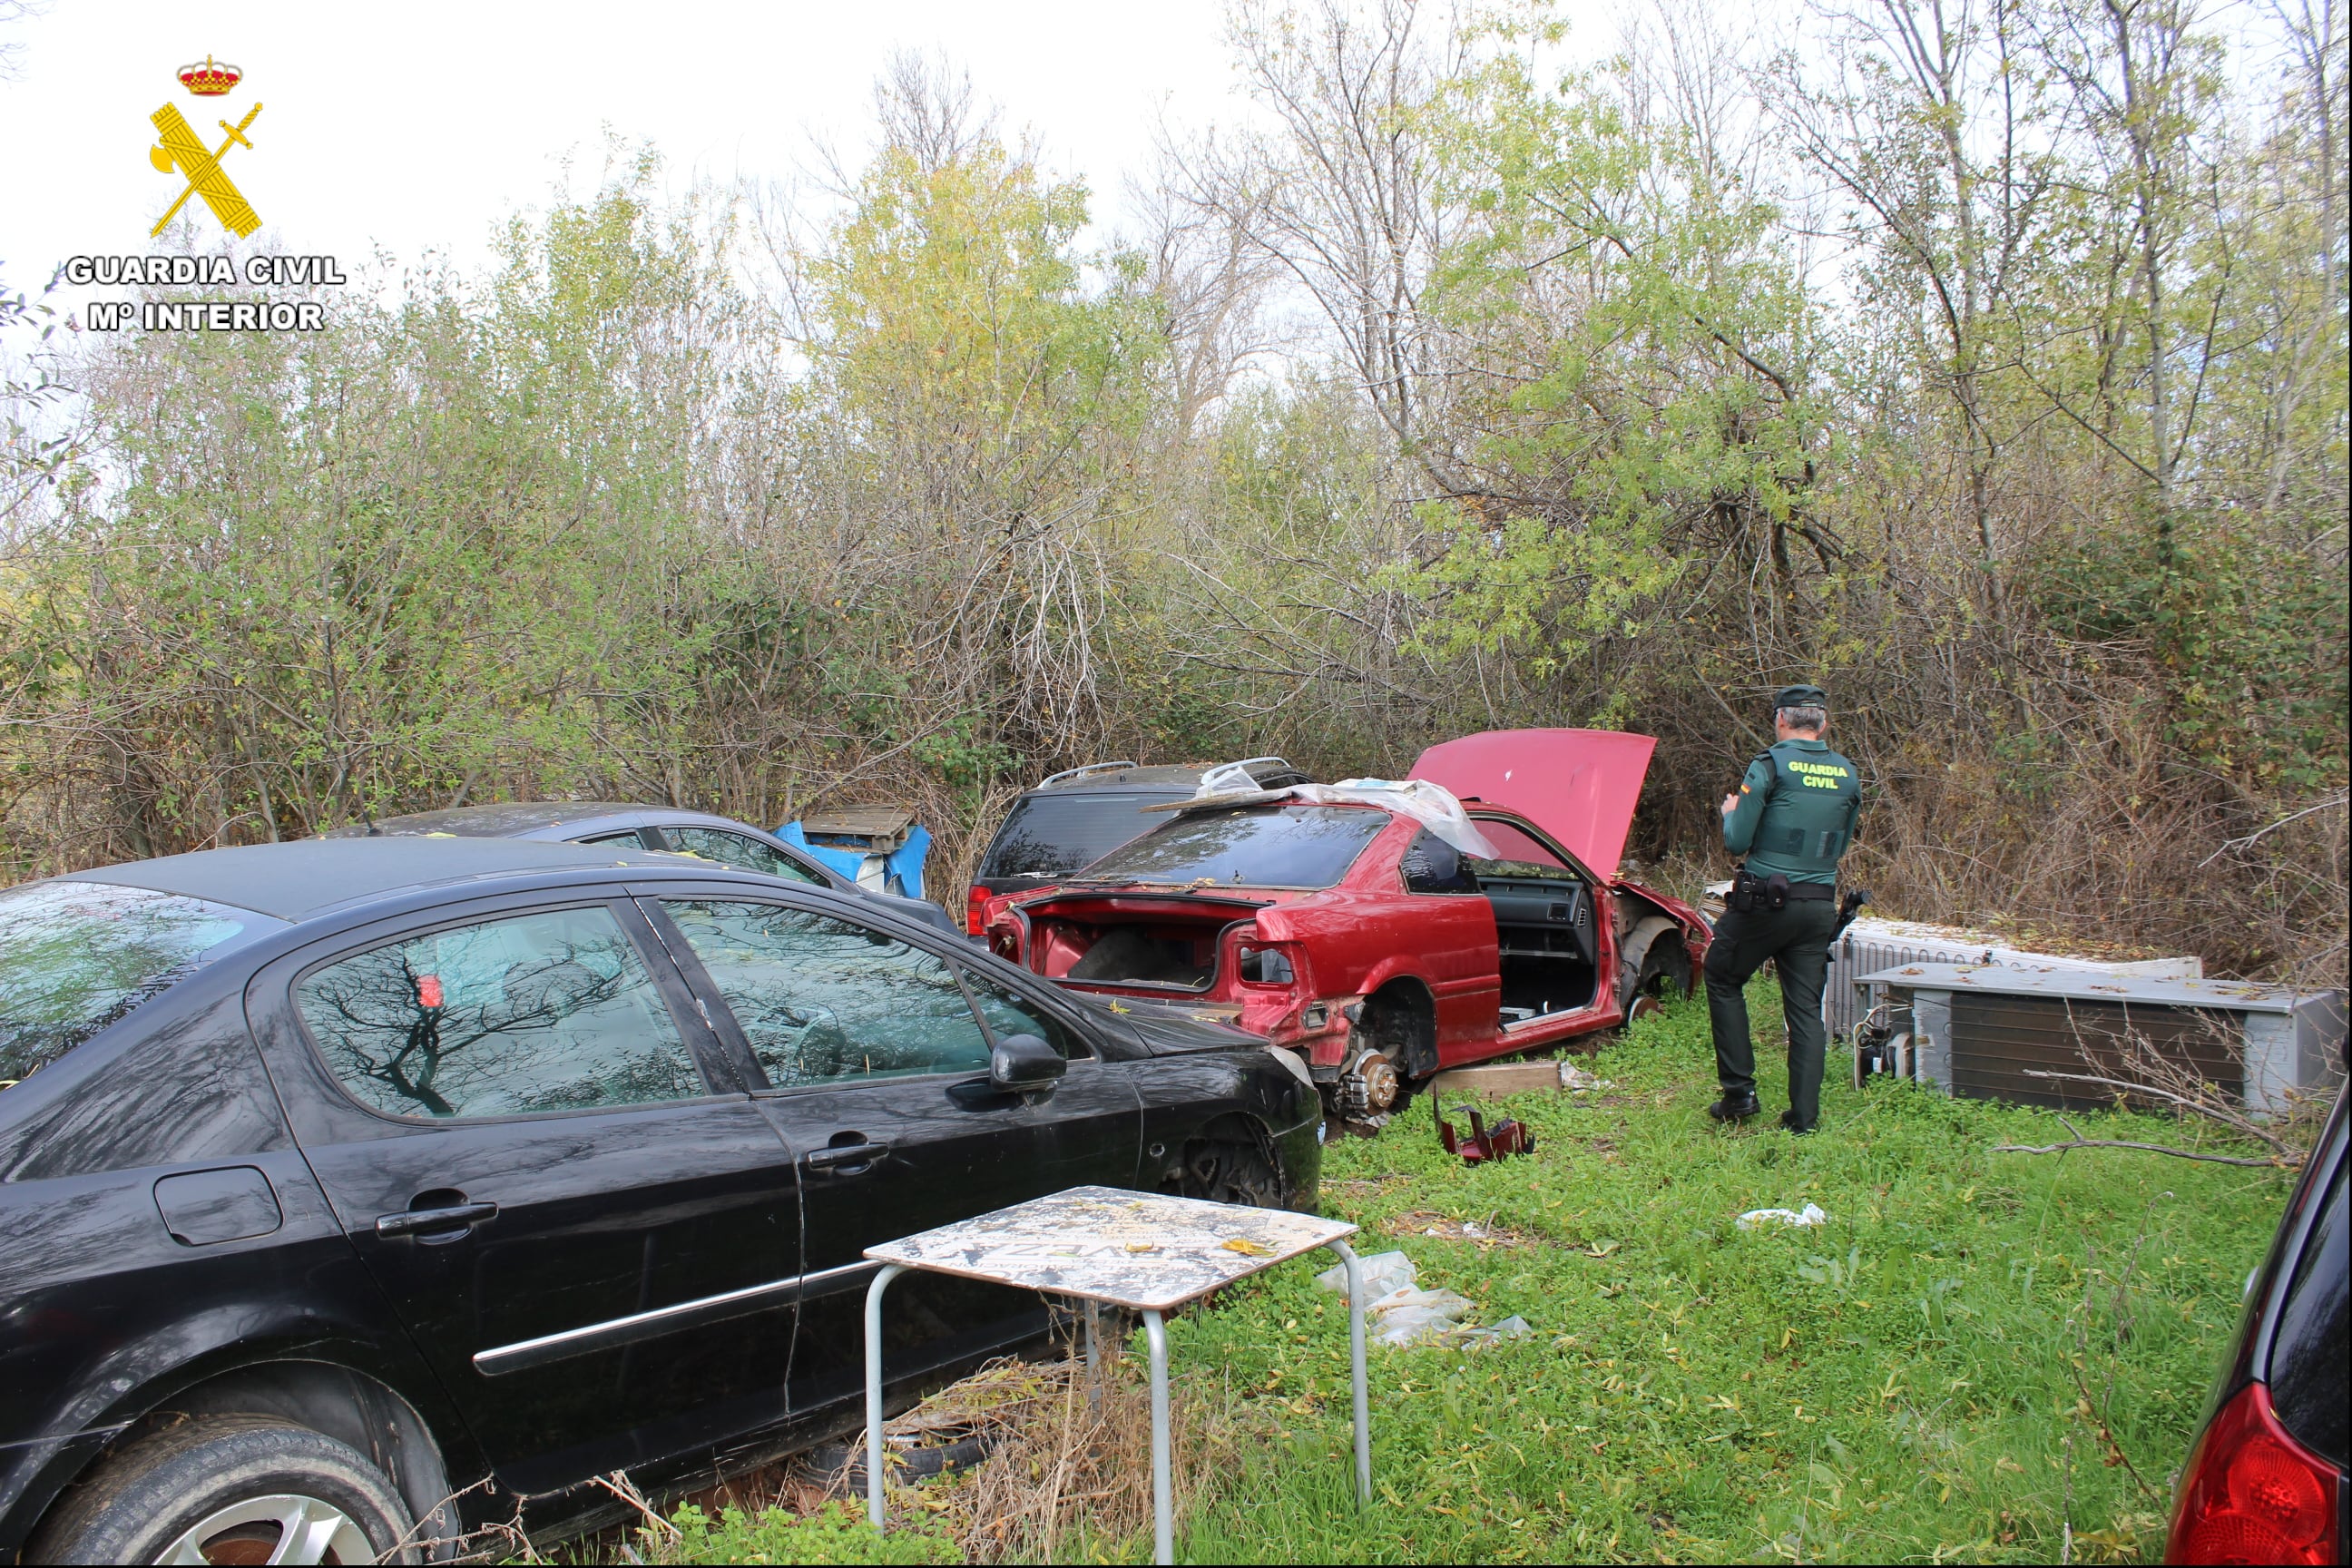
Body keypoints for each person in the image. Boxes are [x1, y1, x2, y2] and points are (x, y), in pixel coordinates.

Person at [1704, 684, 1861, 1134]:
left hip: (1764, 903)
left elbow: (1737, 840)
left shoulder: (1769, 766)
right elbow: (1841, 845)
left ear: (1780, 720)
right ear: (1823, 723)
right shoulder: (1848, 774)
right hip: (1818, 907)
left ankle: (1739, 1094)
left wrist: (1730, 811)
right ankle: (1803, 1120)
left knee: (1721, 973)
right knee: (1806, 1010)